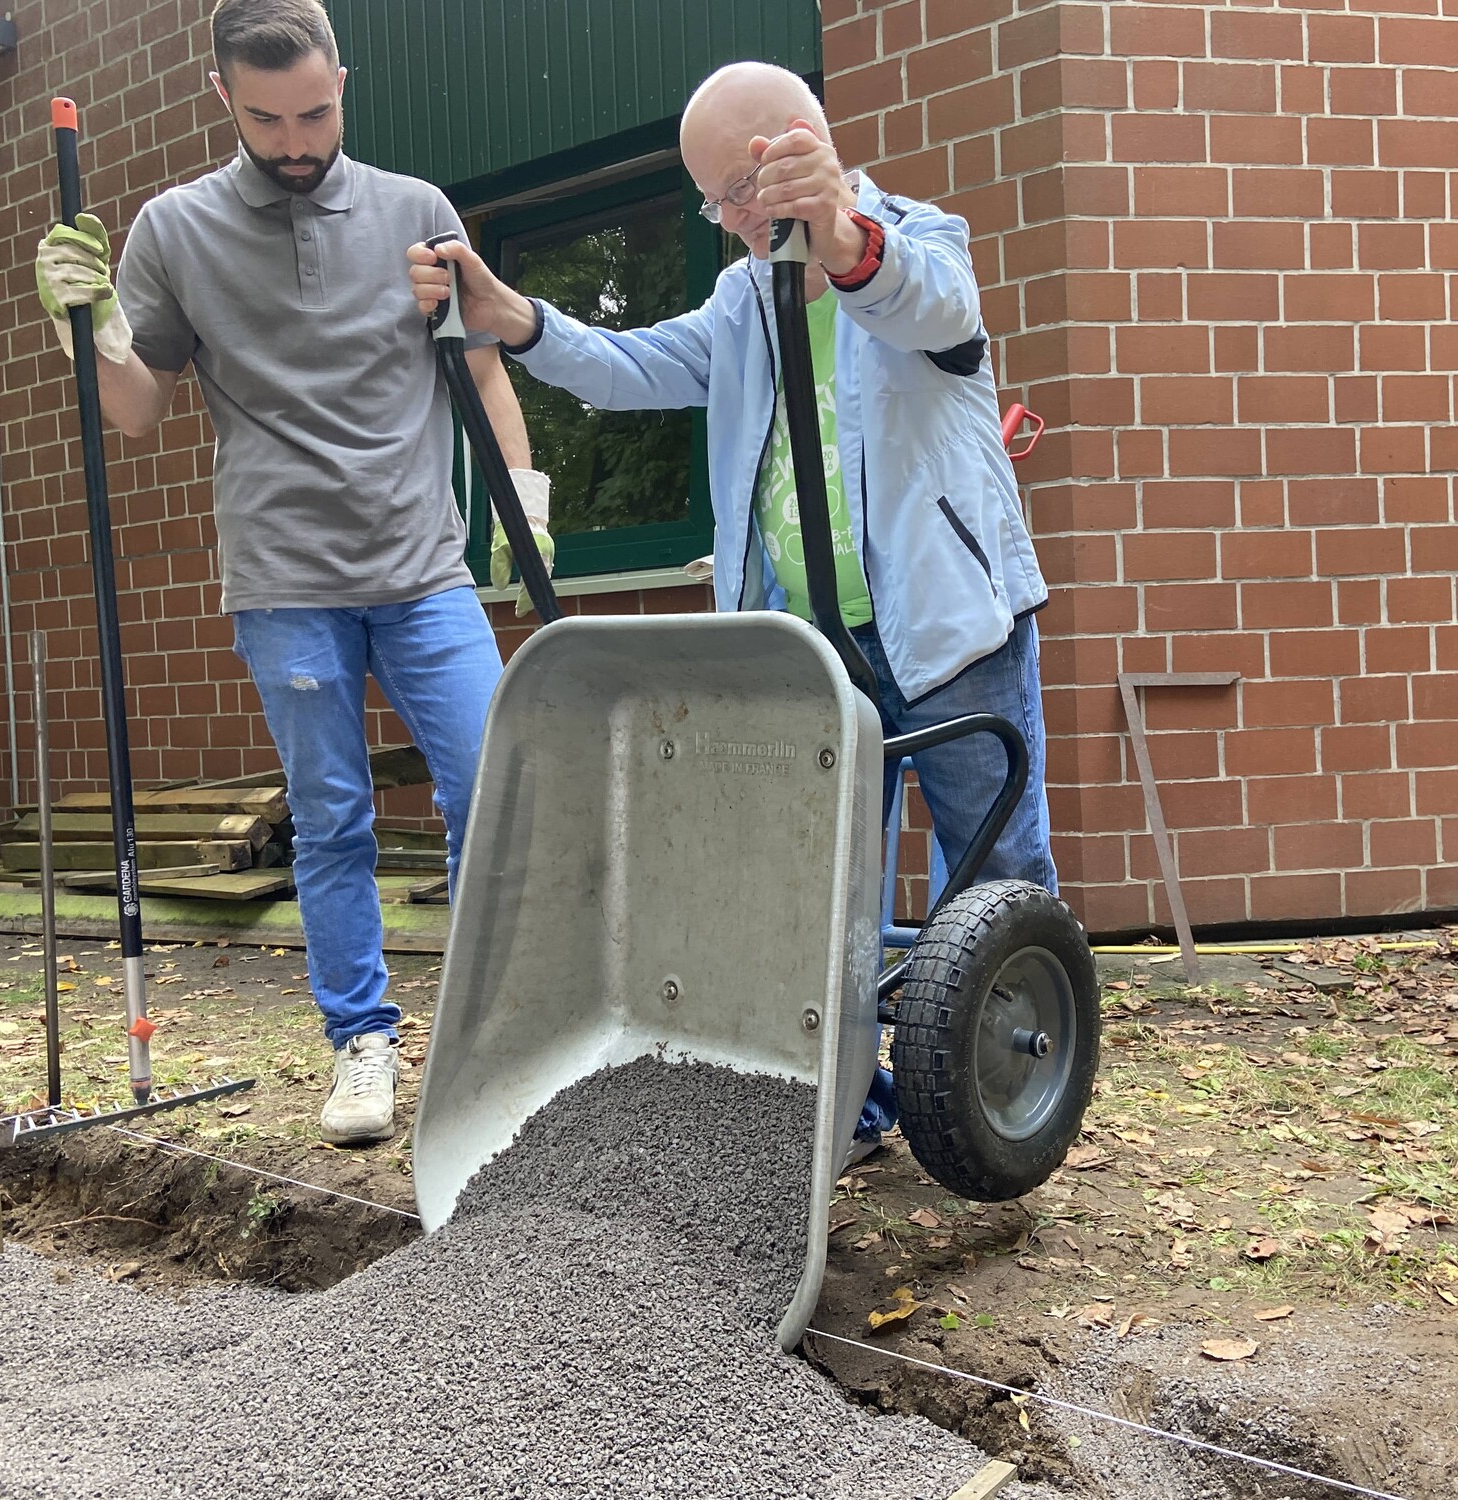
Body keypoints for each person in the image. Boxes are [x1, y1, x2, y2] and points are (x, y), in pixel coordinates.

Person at [408, 60, 1056, 1146]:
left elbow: (931, 307)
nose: (729, 219)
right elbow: (629, 367)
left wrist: (841, 234)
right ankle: (845, 1108)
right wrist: (515, 320)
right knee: (820, 899)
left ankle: (995, 1102)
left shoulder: (921, 241)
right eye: (713, 200)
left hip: (951, 634)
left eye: (736, 191)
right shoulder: (741, 298)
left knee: (991, 880)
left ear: (798, 147)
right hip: (808, 650)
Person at [33, 0, 548, 1144]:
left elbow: (483, 368)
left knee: (494, 788)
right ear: (224, 97)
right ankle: (361, 1042)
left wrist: (528, 503)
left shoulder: (416, 211)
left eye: (314, 111)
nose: (295, 139)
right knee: (332, 815)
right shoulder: (175, 229)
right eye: (267, 119)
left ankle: (487, 1028)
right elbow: (130, 415)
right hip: (283, 576)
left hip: (424, 566)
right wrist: (94, 325)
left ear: (342, 84)